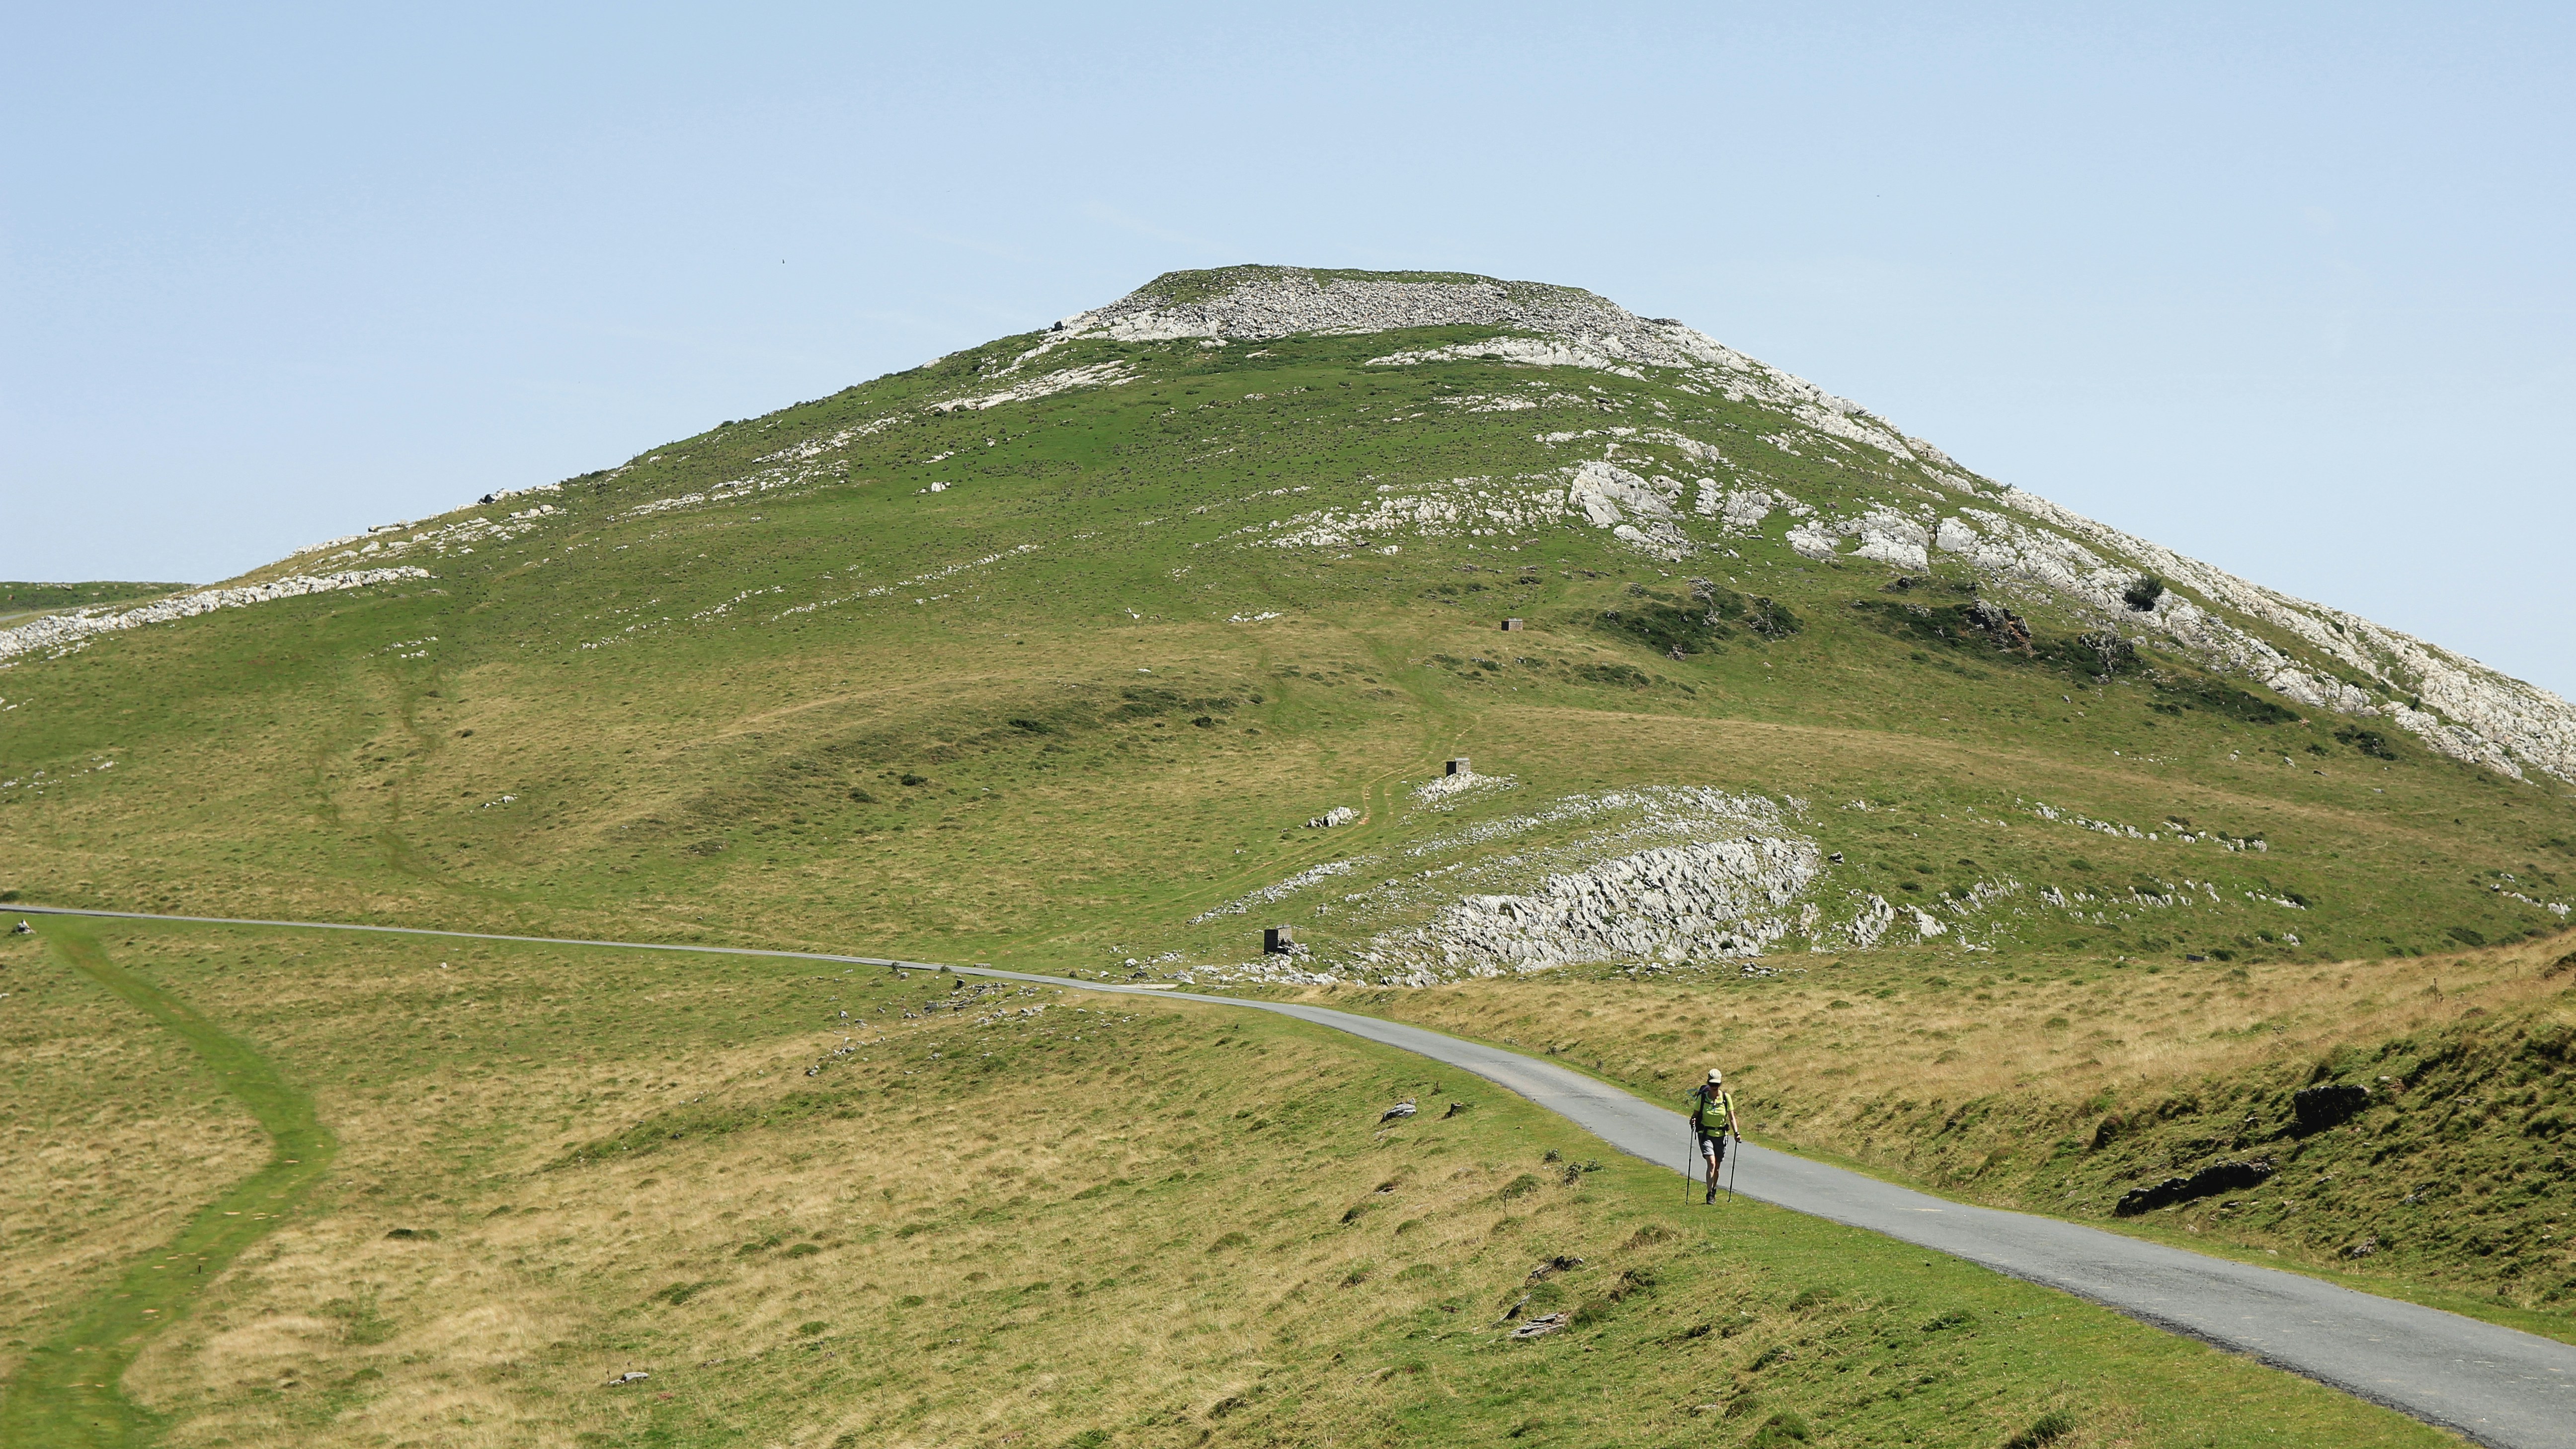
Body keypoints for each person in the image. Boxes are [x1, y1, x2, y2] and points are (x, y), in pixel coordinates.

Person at [1690, 1067, 1738, 1204]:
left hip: (1721, 1135)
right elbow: (1695, 1115)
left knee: (1717, 1166)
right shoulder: (1703, 1098)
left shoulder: (1726, 1098)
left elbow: (1732, 1117)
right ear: (1708, 1083)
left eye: (1717, 1085)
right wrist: (1693, 1120)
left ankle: (1714, 1188)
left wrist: (1737, 1133)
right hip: (1705, 1134)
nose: (1714, 1087)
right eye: (1712, 1085)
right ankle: (1710, 1194)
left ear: (1720, 1084)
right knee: (1711, 1163)